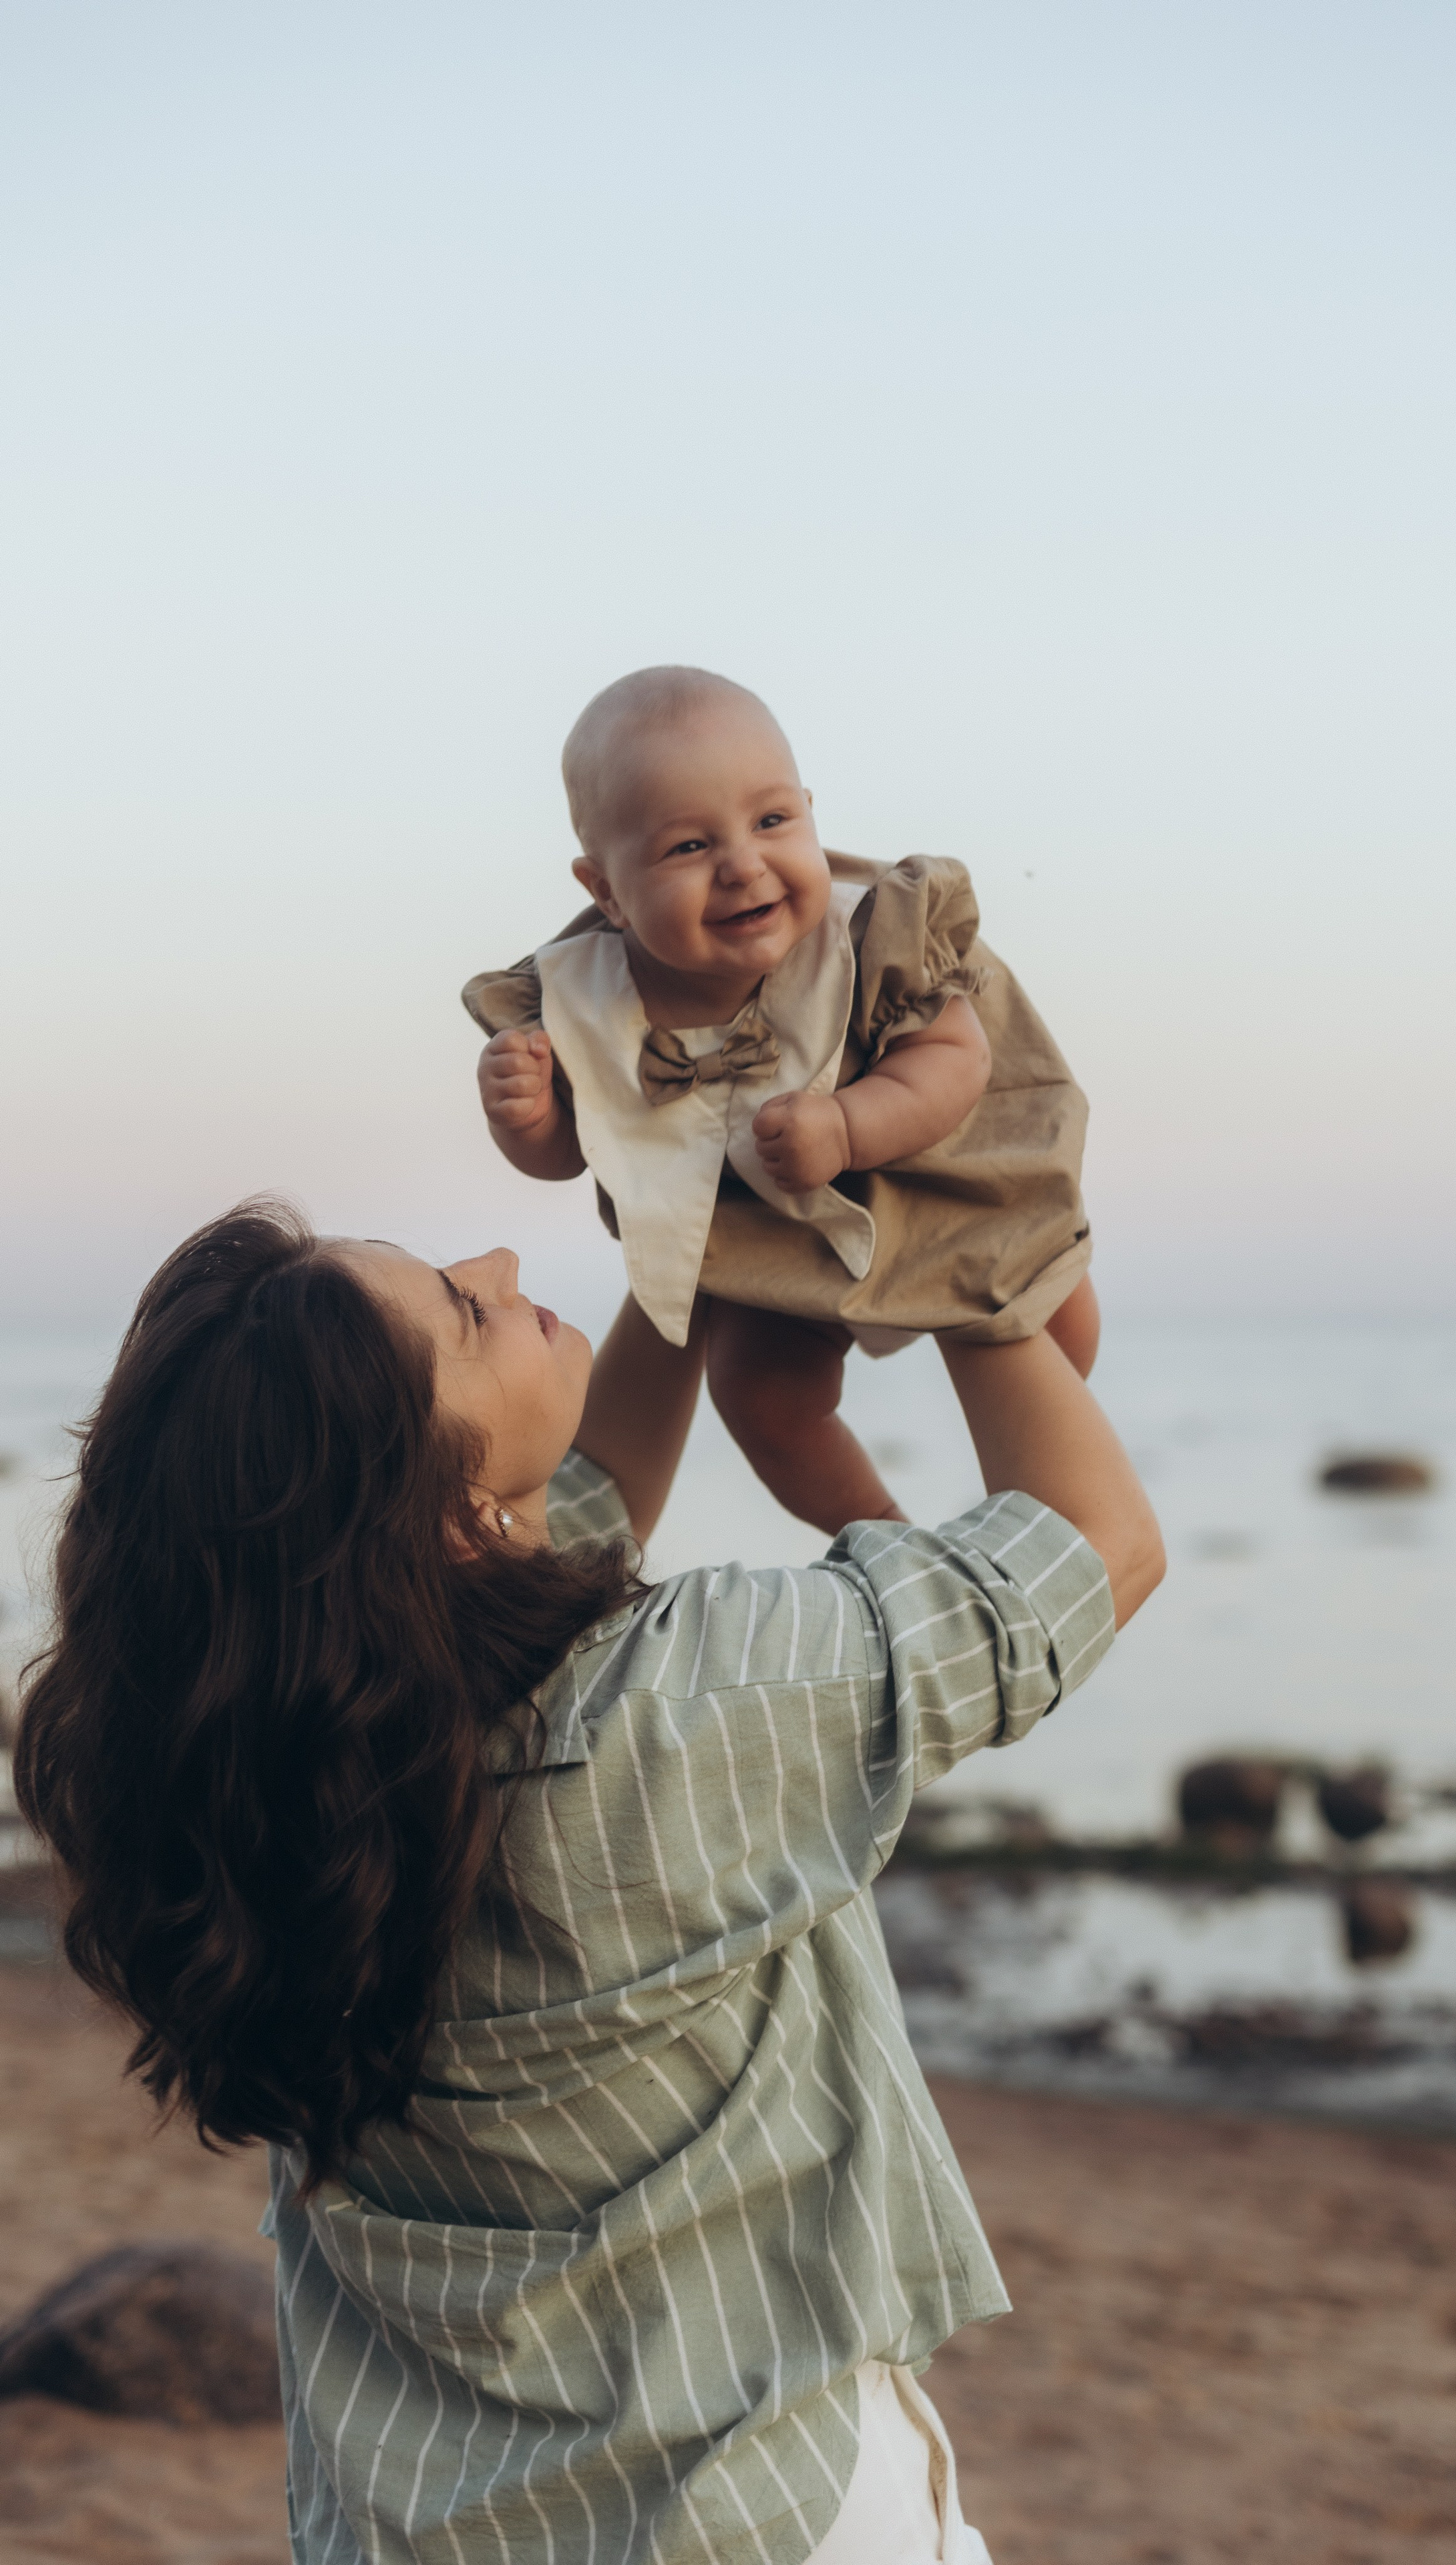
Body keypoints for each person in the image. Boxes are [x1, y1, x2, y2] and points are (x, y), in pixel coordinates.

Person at [15, 1200, 1163, 2565]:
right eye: (463, 1308)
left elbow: (573, 1505)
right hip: (758, 2516)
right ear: (447, 1517)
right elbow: (1091, 1544)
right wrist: (978, 1230)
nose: (502, 1266)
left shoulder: (261, 1794)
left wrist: (693, 1233)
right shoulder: (685, 1707)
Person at [465, 664, 1099, 1535]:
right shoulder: (586, 1001)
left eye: (772, 821)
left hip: (934, 1177)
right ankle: (886, 1538)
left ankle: (1032, 1516)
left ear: (808, 811)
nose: (742, 865)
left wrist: (848, 1123)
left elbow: (959, 1057)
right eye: (689, 847)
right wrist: (527, 1115)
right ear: (605, 889)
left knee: (1046, 1312)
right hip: (769, 1236)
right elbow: (577, 1150)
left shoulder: (869, 938)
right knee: (760, 1399)